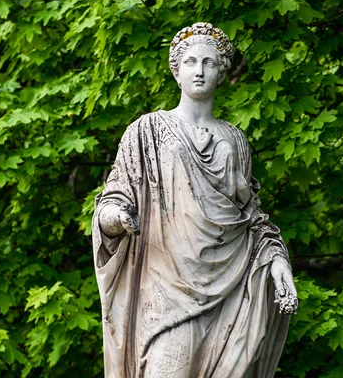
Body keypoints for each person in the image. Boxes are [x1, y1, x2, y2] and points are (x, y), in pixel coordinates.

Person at [92, 22, 297, 378]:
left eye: (209, 62)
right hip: (167, 294)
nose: (199, 70)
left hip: (233, 287)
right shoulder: (148, 131)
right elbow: (115, 196)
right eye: (190, 62)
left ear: (222, 73)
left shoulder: (234, 140)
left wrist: (278, 263)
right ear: (176, 71)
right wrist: (117, 217)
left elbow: (252, 219)